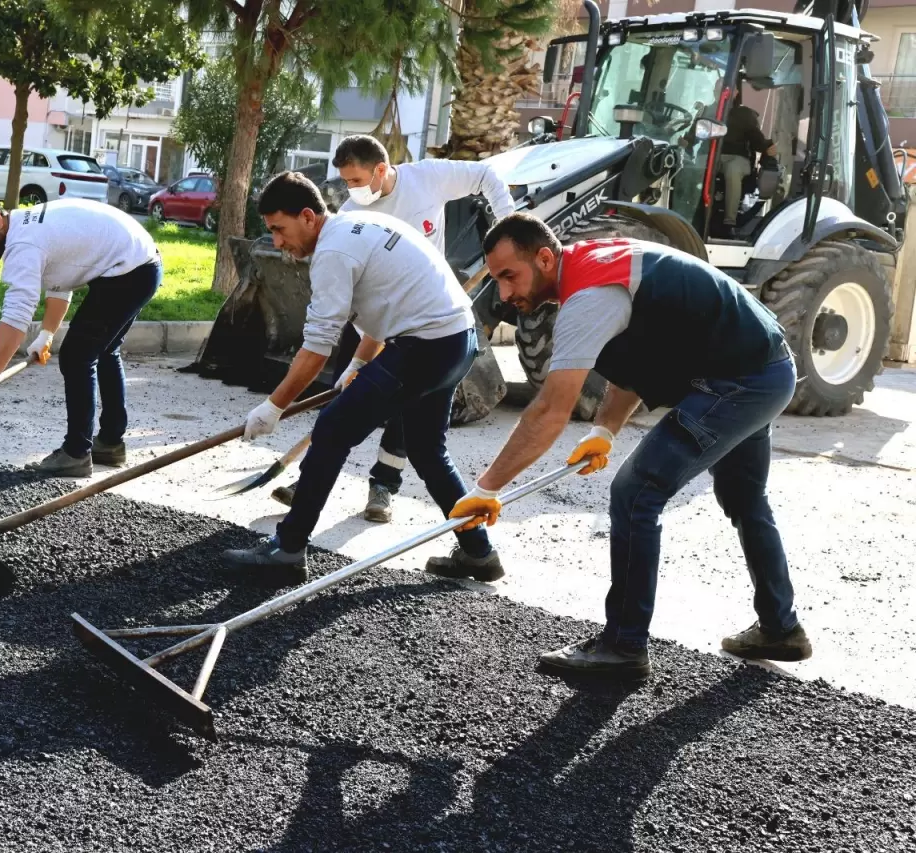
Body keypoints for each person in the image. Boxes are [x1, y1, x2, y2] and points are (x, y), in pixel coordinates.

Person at [449, 212, 811, 679]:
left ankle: (623, 646)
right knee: (744, 498)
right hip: (762, 365)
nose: (503, 293)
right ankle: (782, 629)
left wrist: (488, 486)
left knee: (636, 493)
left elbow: (550, 409)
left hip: (739, 380)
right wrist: (605, 430)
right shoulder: (596, 265)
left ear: (543, 257)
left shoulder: (588, 296)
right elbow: (637, 355)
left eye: (508, 276)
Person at [221, 171, 500, 584]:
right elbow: (386, 303)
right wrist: (357, 365)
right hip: (457, 340)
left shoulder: (334, 252)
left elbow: (316, 346)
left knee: (332, 430)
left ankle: (289, 548)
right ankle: (479, 553)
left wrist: (273, 406)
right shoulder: (361, 226)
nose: (277, 242)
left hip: (425, 345)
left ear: (308, 216)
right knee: (425, 450)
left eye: (280, 230)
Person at [272, 134, 516, 531]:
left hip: (425, 317)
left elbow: (487, 174)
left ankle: (378, 487)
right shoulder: (352, 214)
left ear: (381, 170)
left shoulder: (428, 178)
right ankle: (478, 551)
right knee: (347, 399)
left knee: (359, 420)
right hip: (400, 317)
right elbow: (368, 317)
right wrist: (358, 362)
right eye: (345, 182)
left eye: (355, 180)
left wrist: (508, 231)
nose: (350, 190)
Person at [0, 195, 161, 477]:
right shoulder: (28, 228)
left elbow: (17, 313)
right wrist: (47, 334)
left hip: (130, 270)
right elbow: (61, 281)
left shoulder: (22, 243)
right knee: (104, 350)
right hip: (140, 263)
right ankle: (111, 444)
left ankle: (77, 453)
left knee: (78, 357)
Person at [719, 90, 778, 234]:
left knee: (732, 170)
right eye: (717, 87)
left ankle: (729, 221)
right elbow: (692, 134)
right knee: (692, 166)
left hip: (738, 158)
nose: (719, 91)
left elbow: (756, 139)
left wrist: (767, 147)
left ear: (735, 92)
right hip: (711, 157)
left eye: (723, 87)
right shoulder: (708, 110)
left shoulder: (744, 114)